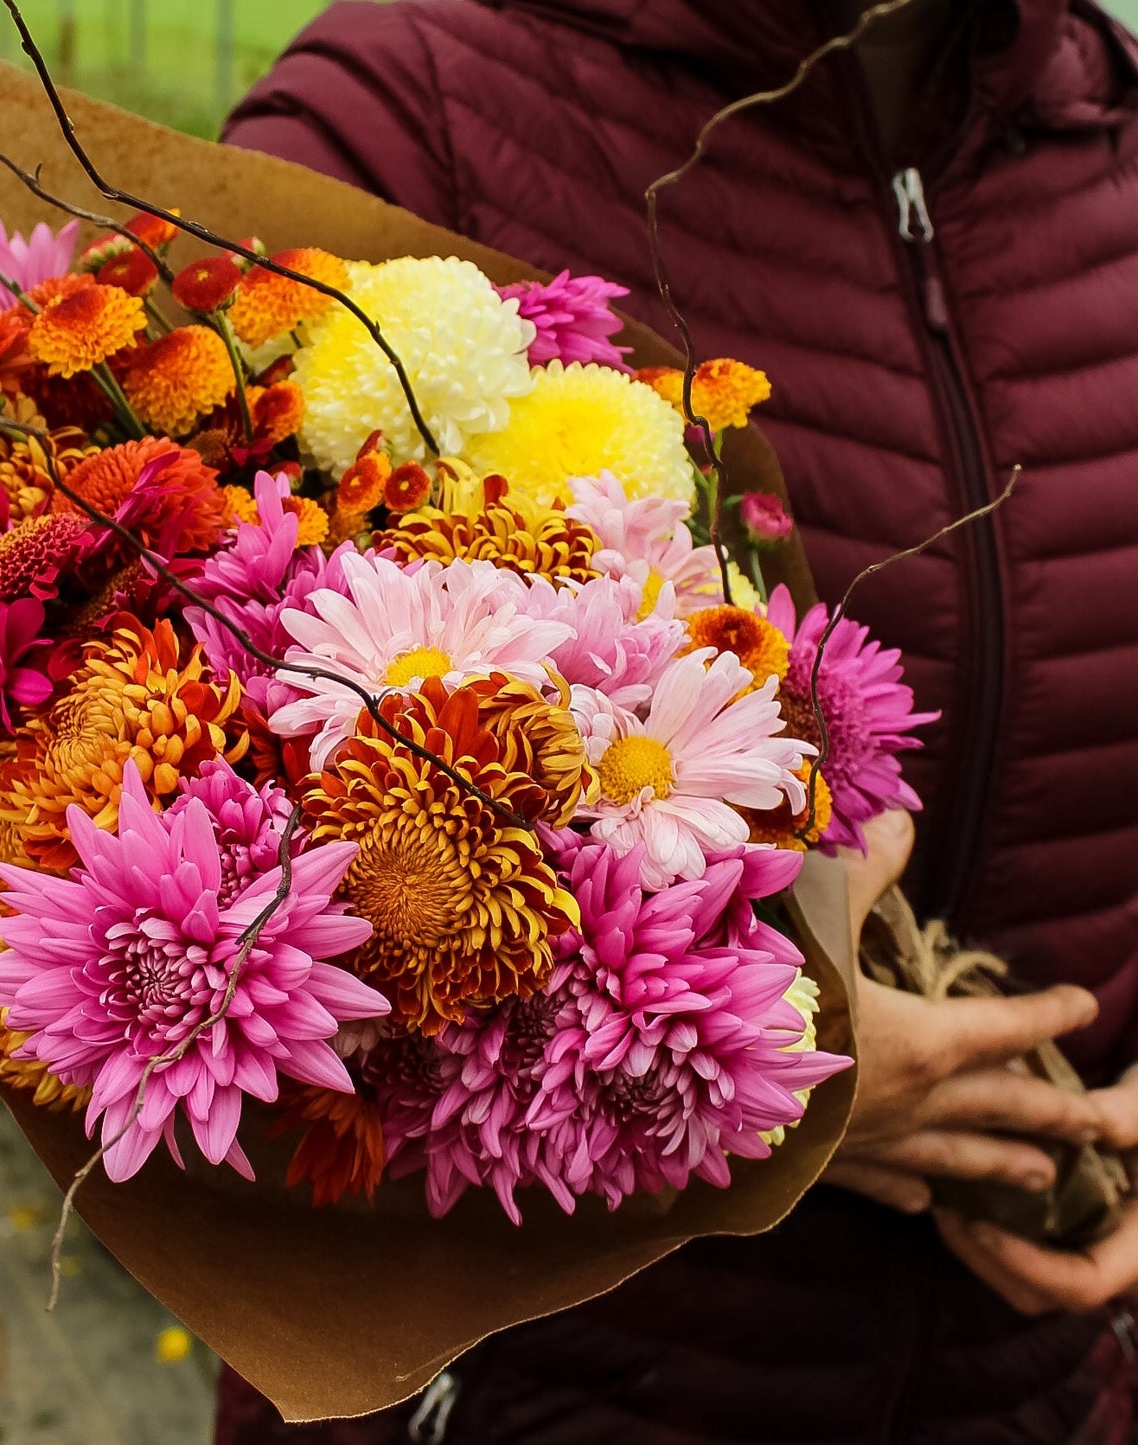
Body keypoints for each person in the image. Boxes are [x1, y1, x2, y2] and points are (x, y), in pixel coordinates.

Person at [216, 0, 1138, 1438]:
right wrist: (731, 1082)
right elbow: (172, 855)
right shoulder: (414, 114)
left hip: (1037, 1384)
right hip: (543, 1388)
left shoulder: (1108, 144)